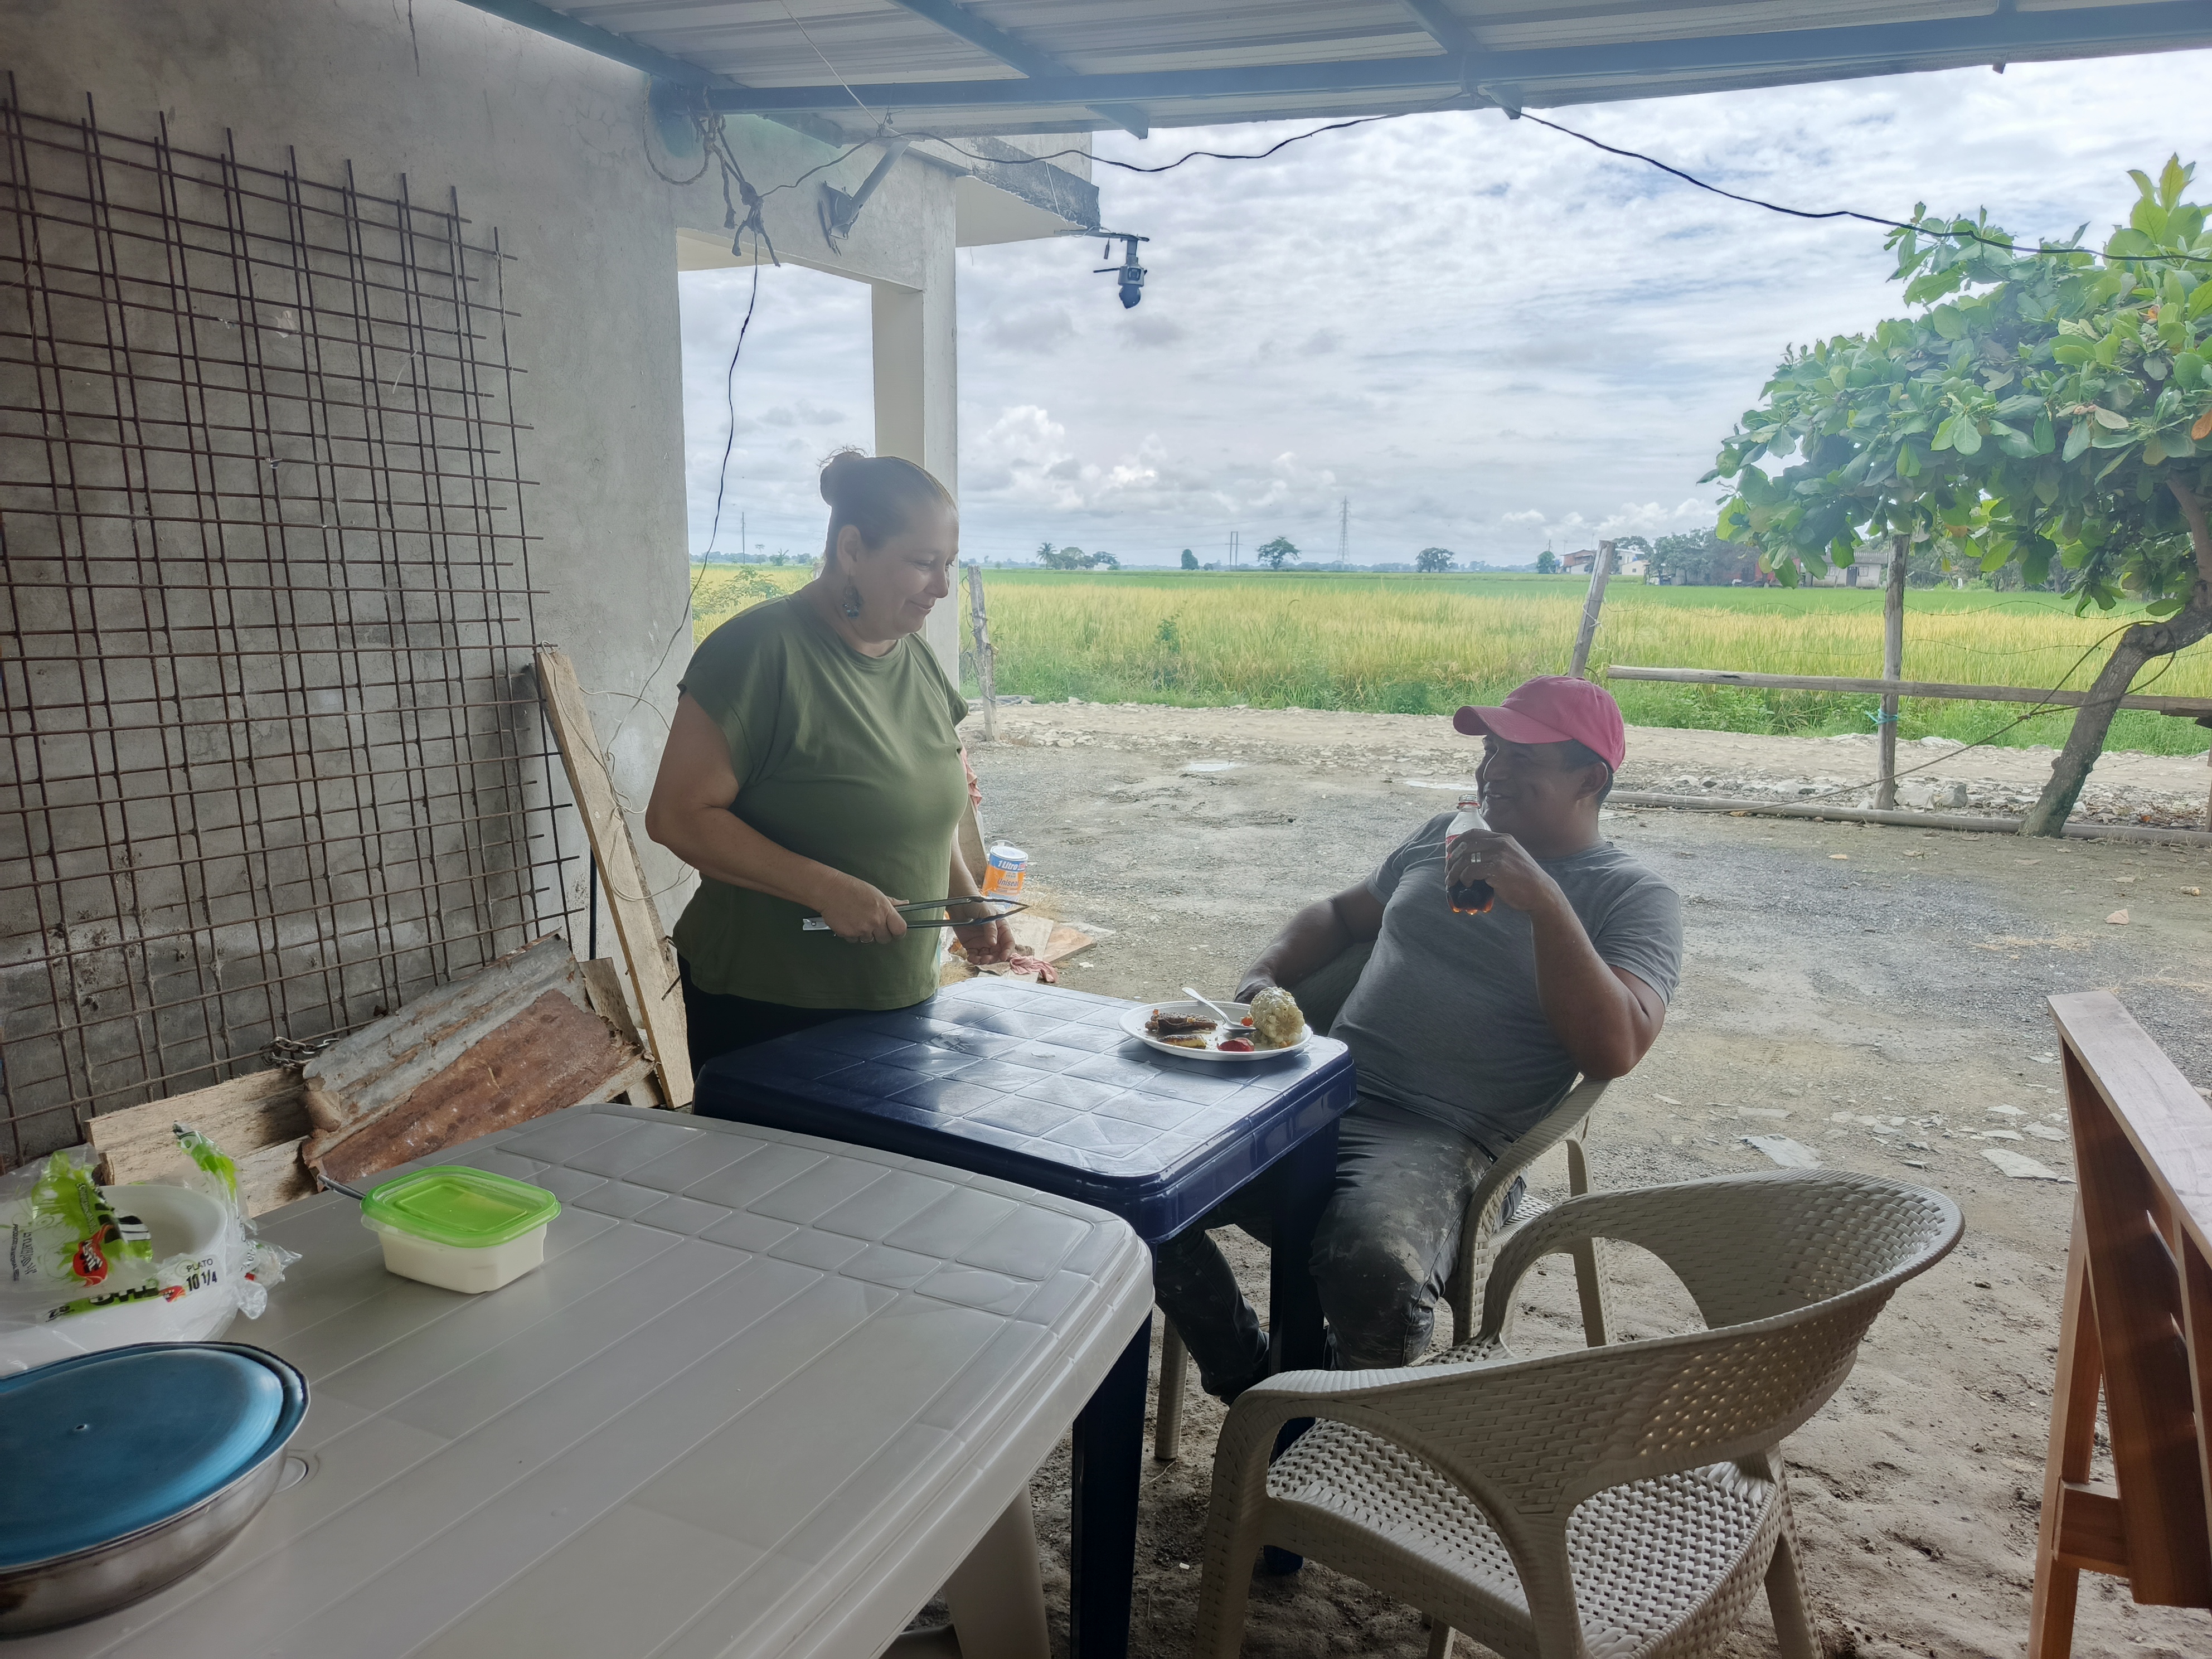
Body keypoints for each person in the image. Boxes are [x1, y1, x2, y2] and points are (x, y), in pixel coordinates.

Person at [1153, 676, 1681, 1399]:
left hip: (1448, 1136)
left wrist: (1545, 903)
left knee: (1377, 1270)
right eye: (1491, 750)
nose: (1493, 770)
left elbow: (1615, 1049)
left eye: (1521, 757)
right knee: (1138, 1193)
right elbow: (1339, 915)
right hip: (1315, 1091)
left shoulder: (1631, 895)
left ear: (1589, 779)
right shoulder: (1444, 835)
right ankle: (1253, 1385)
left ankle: (1338, 1410)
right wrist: (1261, 978)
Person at [643, 450, 1013, 1071]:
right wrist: (826, 890)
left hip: (900, 994)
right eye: (922, 563)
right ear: (852, 550)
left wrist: (963, 899)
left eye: (948, 564)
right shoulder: (757, 652)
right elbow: (677, 816)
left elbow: (923, 810)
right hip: (771, 1006)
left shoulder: (916, 660)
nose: (942, 587)